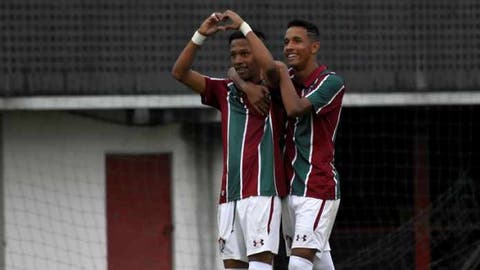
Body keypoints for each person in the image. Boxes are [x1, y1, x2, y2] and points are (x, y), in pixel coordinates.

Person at [171, 10, 287, 270]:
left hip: (262, 191)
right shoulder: (224, 91)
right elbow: (179, 72)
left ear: (258, 52)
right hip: (229, 197)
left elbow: (269, 66)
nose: (238, 60)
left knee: (260, 266)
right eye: (234, 55)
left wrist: (243, 25)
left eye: (245, 53)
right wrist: (201, 34)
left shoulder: (276, 87)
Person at [229, 19, 345, 270]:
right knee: (319, 262)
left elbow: (295, 109)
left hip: (317, 186)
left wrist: (241, 24)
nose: (289, 47)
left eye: (297, 41)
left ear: (314, 47)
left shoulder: (331, 82)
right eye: (285, 42)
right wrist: (247, 87)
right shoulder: (286, 77)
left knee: (299, 265)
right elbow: (235, 71)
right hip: (289, 188)